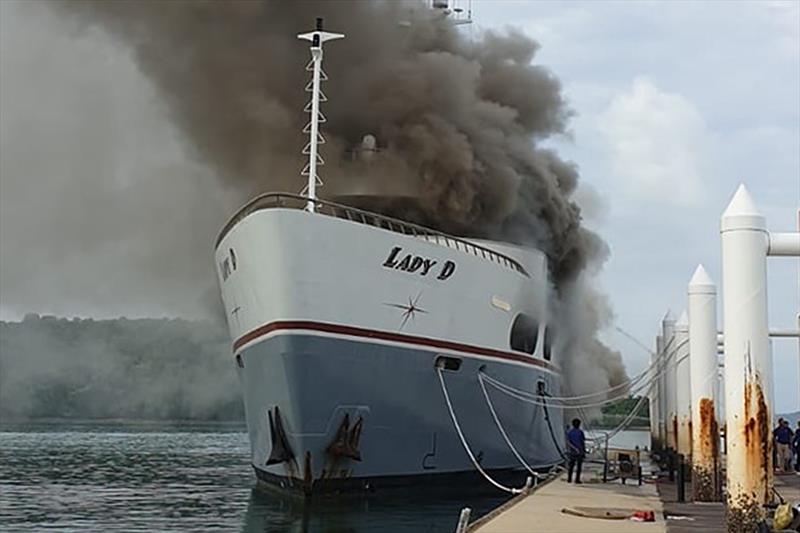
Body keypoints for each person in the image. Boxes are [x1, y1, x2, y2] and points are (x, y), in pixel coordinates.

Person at [566, 418, 586, 483]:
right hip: (579, 452)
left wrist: (573, 448)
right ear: (579, 425)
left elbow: (568, 442)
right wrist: (584, 451)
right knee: (579, 467)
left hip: (572, 452)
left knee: (571, 466)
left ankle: (569, 479)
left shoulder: (570, 432)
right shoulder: (580, 432)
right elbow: (582, 442)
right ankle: (577, 479)